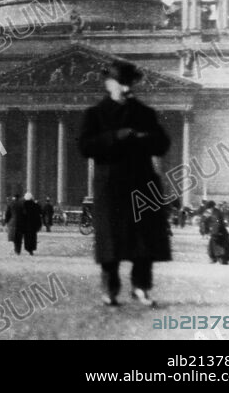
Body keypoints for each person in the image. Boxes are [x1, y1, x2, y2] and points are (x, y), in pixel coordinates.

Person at [78, 60, 171, 308]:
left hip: (141, 181)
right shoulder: (95, 114)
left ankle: (141, 287)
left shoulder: (145, 113)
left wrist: (144, 138)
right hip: (111, 185)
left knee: (144, 240)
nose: (127, 88)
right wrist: (116, 136)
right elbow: (84, 147)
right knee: (110, 240)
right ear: (109, 84)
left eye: (129, 84)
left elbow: (163, 145)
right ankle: (110, 288)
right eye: (122, 83)